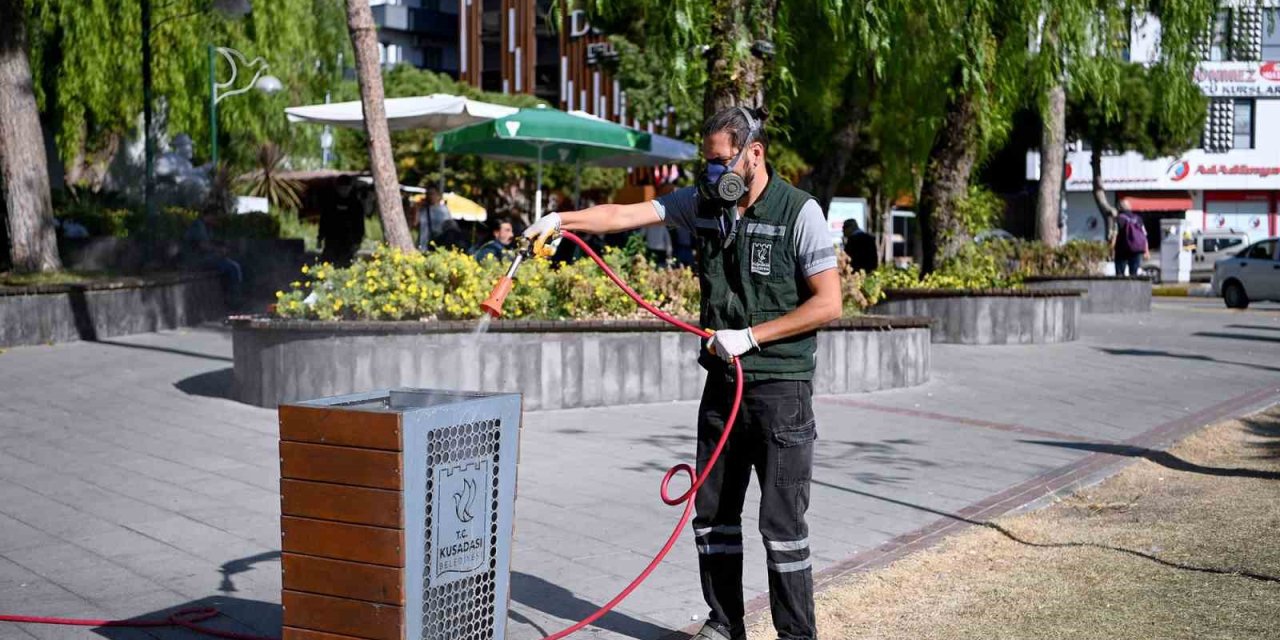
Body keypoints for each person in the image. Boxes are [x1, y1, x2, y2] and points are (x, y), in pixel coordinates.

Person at [523, 106, 839, 640]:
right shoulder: (703, 205)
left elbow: (828, 304)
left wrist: (752, 336)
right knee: (713, 516)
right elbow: (625, 216)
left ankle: (796, 635)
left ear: (753, 153)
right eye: (708, 161)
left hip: (780, 392)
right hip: (723, 385)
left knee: (782, 528)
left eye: (721, 161)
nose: (713, 173)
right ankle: (724, 624)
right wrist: (561, 220)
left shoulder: (798, 212)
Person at [183, 209, 244, 308]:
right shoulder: (198, 226)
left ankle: (233, 296)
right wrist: (219, 250)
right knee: (232, 267)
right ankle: (233, 299)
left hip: (205, 258)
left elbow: (211, 243)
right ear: (209, 215)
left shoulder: (208, 227)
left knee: (234, 265)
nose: (216, 220)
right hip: (197, 260)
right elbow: (203, 246)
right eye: (215, 217)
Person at [319, 175, 366, 266]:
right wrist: (320, 237)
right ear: (337, 188)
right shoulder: (330, 202)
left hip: (349, 241)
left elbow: (360, 224)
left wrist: (358, 241)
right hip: (332, 240)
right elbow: (324, 221)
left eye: (346, 188)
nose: (344, 191)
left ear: (350, 188)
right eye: (342, 188)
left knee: (345, 263)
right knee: (328, 263)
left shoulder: (355, 204)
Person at [1113, 204, 1150, 276]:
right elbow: (1144, 235)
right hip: (1136, 249)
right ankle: (1133, 286)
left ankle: (1121, 286)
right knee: (1134, 273)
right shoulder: (1138, 218)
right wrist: (1146, 250)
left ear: (1119, 208)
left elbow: (1115, 234)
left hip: (1121, 249)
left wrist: (1111, 249)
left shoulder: (1119, 219)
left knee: (1120, 273)